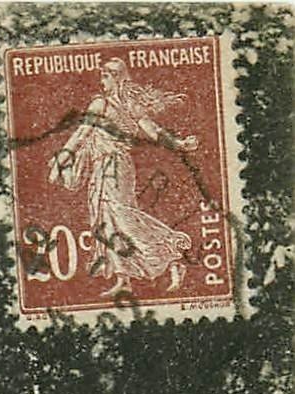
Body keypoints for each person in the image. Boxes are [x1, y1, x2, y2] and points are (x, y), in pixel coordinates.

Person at [48, 59, 198, 297]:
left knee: (121, 215)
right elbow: (153, 131)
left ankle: (173, 254)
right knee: (106, 221)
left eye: (106, 77)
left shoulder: (102, 104)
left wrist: (61, 160)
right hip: (110, 167)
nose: (102, 81)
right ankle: (124, 278)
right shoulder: (129, 105)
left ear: (116, 78)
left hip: (112, 166)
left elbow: (81, 135)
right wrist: (178, 144)